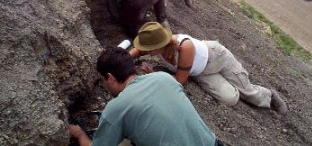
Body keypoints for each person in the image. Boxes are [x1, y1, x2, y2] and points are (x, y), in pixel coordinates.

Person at [68, 47, 219, 146]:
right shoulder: (163, 77)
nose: (104, 85)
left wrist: (80, 135)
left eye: (102, 80)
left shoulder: (116, 108)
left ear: (110, 77)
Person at [130, 22, 288, 115]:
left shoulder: (184, 47)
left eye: (149, 48)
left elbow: (180, 81)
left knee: (249, 93)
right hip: (199, 72)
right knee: (230, 99)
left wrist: (153, 74)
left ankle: (269, 95)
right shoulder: (155, 46)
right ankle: (233, 82)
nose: (147, 51)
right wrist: (125, 58)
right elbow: (135, 51)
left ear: (159, 44)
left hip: (217, 58)